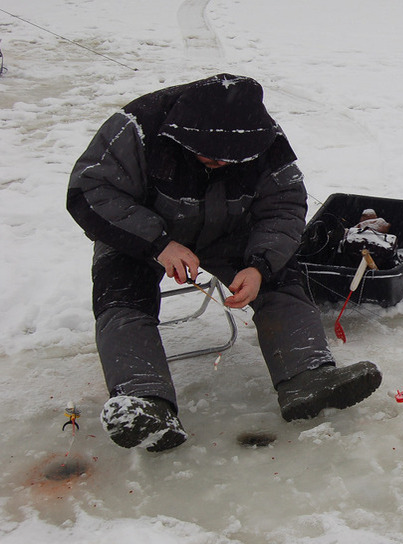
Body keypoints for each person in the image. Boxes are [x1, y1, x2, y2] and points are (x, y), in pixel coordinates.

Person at [67, 74, 382, 452]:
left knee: (280, 279)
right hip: (139, 232)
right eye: (211, 156)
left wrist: (260, 266)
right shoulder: (137, 128)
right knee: (122, 298)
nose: (219, 164)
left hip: (229, 229)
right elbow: (90, 189)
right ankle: (144, 403)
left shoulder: (264, 138)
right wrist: (159, 243)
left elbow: (283, 206)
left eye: (230, 159)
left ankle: (307, 377)